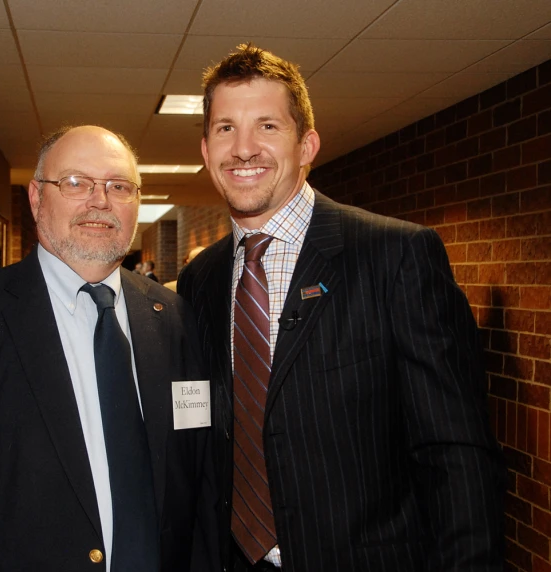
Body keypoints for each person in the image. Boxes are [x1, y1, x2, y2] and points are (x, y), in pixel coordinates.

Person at [177, 44, 506, 572]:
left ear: (307, 144)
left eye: (266, 126)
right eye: (225, 129)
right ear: (205, 147)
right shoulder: (201, 278)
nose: (243, 149)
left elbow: (456, 453)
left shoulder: (395, 255)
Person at [0, 125, 218, 572]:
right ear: (37, 198)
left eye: (119, 186)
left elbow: (194, 481)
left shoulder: (172, 316)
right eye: (76, 183)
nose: (100, 201)